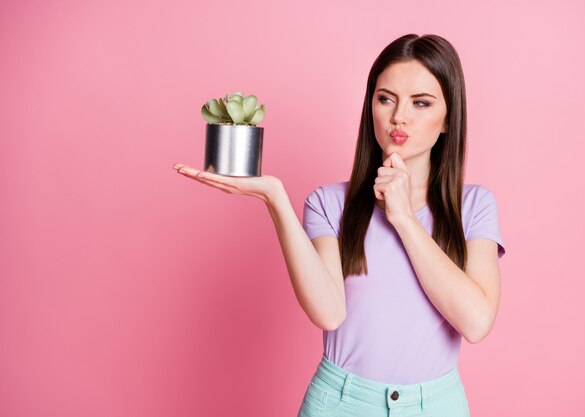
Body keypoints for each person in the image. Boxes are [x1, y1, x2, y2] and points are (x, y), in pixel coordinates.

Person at [172, 33, 505, 417]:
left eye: (421, 102)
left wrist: (403, 218)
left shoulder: (475, 205)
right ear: (371, 108)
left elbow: (476, 323)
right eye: (386, 98)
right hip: (341, 403)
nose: (399, 116)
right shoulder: (328, 203)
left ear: (448, 120)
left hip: (437, 406)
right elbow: (328, 313)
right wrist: (275, 198)